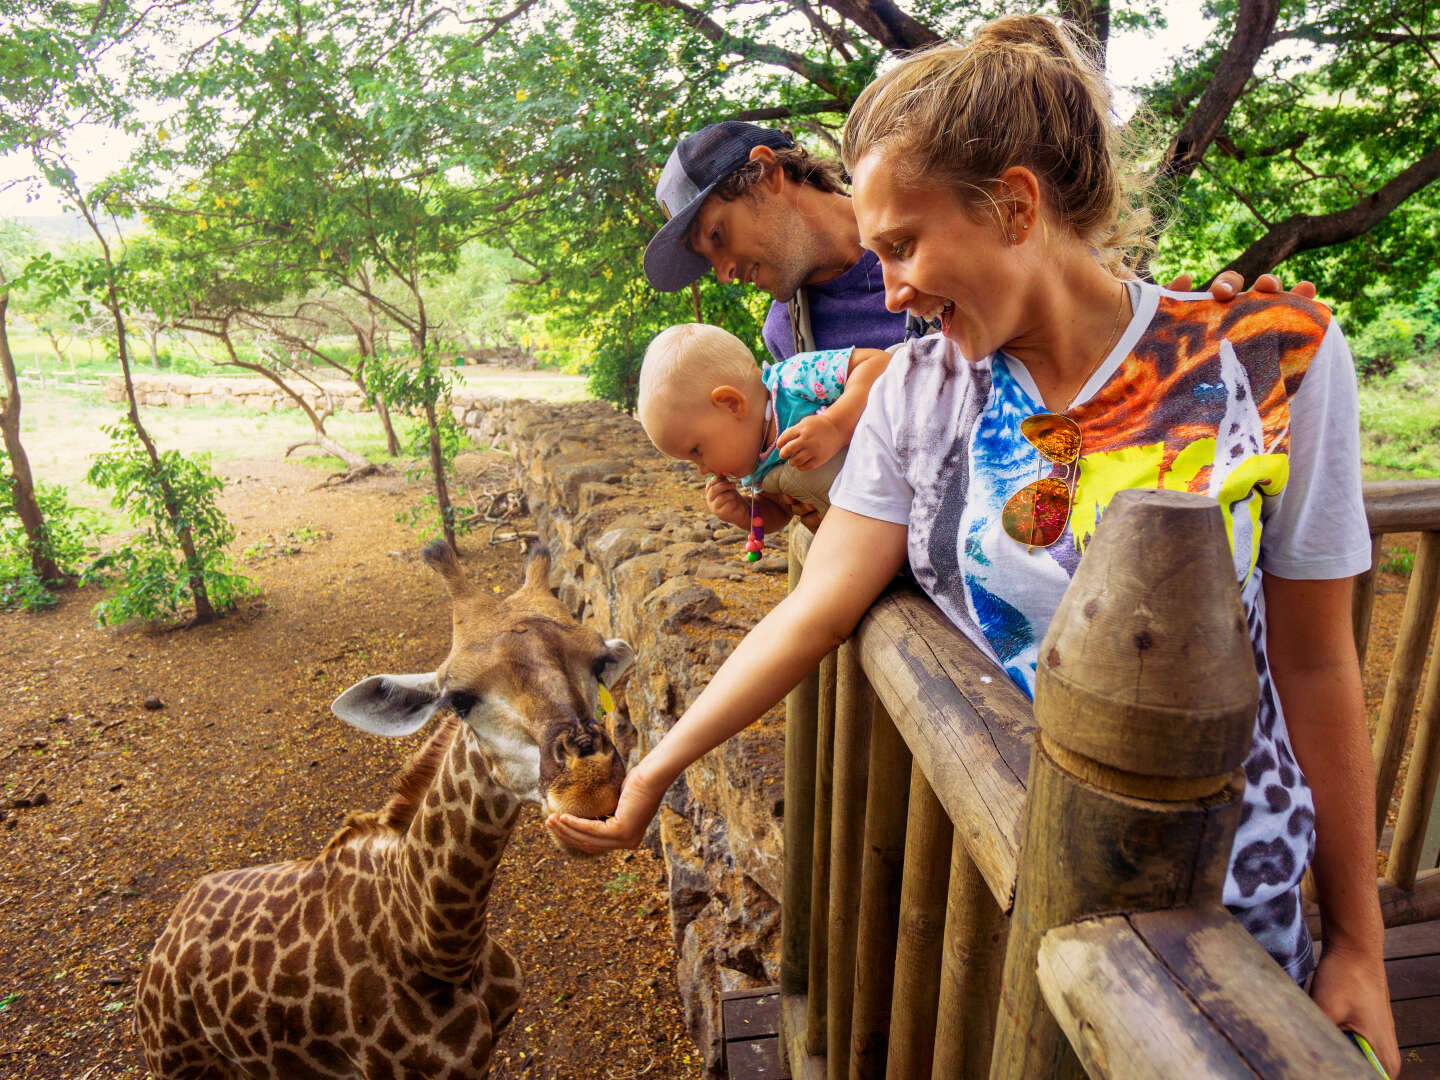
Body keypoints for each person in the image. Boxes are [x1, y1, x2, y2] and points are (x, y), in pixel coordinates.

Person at [561, 15, 1400, 1074]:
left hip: (1229, 903)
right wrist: (659, 770)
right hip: (1009, 880)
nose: (894, 290)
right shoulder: (919, 391)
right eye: (877, 255)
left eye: (904, 246)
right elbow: (818, 605)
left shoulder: (1276, 361)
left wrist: (1361, 943)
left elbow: (1321, 660)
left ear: (1014, 205)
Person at [641, 122, 1314, 362]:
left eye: (719, 237)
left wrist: (1211, 333)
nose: (724, 270)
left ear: (768, 172)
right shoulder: (790, 339)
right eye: (709, 260)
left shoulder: (964, 233)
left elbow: (1097, 327)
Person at [637, 324, 890, 534]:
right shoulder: (756, 465)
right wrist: (745, 511)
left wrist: (835, 425)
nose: (703, 470)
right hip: (868, 529)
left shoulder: (794, 380)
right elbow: (780, 514)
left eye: (696, 450)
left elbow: (879, 363)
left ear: (731, 404)